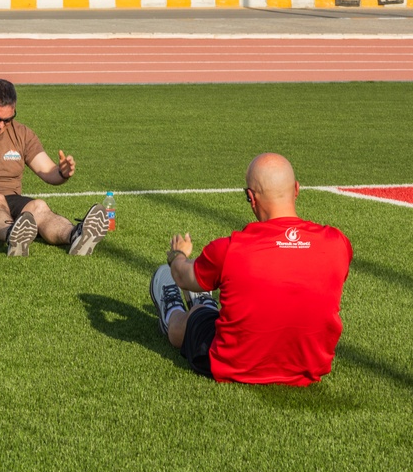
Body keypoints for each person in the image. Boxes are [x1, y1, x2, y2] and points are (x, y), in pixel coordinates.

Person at [149, 153, 352, 386]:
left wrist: (178, 255)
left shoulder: (232, 248)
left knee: (196, 318)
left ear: (251, 198)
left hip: (235, 365)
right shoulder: (337, 243)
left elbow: (182, 277)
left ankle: (175, 310)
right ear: (296, 189)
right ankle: (204, 300)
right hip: (308, 367)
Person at [0, 78, 108, 257]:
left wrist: (62, 172)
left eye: (8, 120)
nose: (0, 125)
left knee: (39, 206)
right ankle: (13, 235)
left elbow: (49, 172)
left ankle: (76, 235)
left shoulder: (21, 134)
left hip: (8, 201)